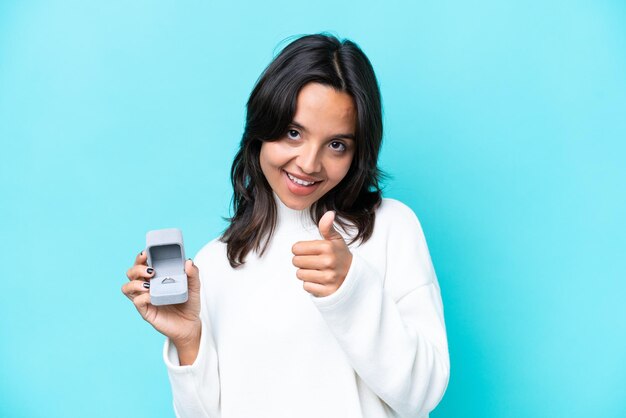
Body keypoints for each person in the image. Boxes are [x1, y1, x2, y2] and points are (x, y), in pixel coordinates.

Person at [123, 33, 449, 418]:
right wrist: (188, 340)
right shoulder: (215, 263)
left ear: (358, 151)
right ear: (263, 125)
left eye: (337, 145)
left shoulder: (390, 228)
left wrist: (351, 288)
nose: (310, 163)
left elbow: (423, 393)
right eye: (294, 133)